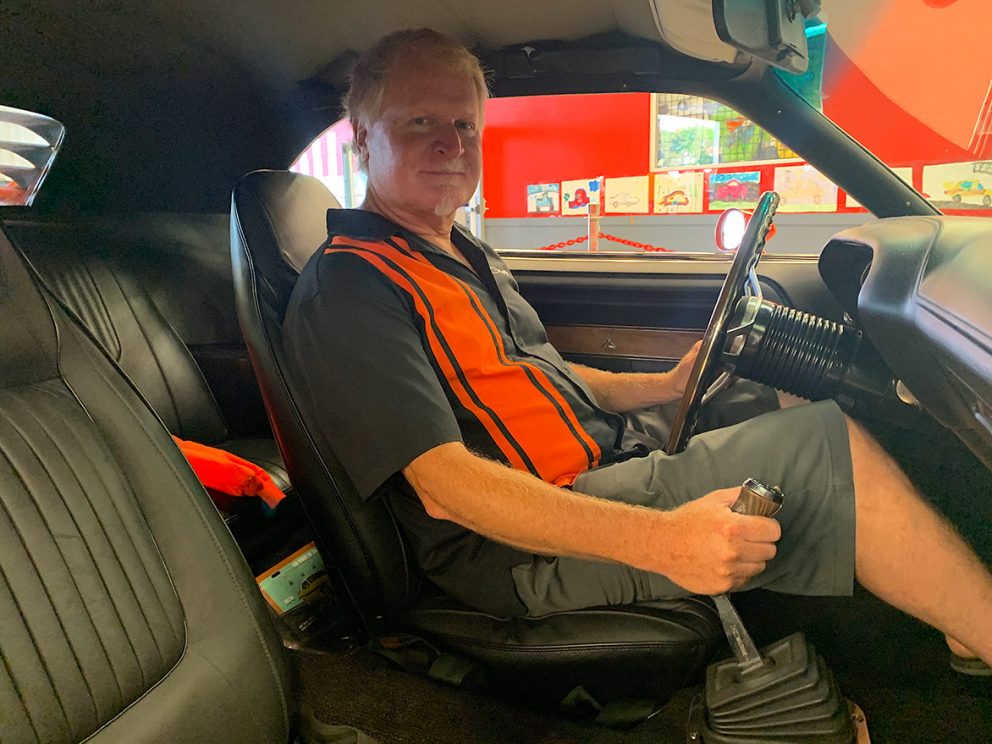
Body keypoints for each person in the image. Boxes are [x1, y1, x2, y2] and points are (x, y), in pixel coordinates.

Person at [284, 28, 992, 672]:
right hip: (519, 552)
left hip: (598, 458)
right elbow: (446, 490)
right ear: (362, 139)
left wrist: (667, 384)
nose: (451, 143)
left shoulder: (458, 249)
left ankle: (943, 602)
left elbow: (549, 381)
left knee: (780, 387)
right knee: (820, 445)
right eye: (419, 123)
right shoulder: (351, 289)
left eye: (465, 123)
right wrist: (662, 541)